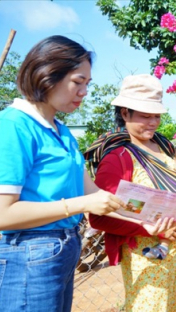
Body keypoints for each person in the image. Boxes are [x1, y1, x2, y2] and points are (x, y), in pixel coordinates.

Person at [0, 35, 125, 312]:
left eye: (87, 84)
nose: (84, 92)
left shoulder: (62, 131)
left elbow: (91, 192)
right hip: (29, 252)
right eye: (77, 82)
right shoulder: (14, 125)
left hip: (64, 247)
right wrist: (78, 205)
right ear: (47, 74)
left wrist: (147, 215)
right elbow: (4, 214)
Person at [83, 74, 176, 312]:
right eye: (144, 116)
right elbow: (99, 216)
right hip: (145, 255)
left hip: (174, 251)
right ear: (125, 113)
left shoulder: (166, 148)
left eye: (156, 116)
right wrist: (148, 227)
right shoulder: (118, 157)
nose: (153, 123)